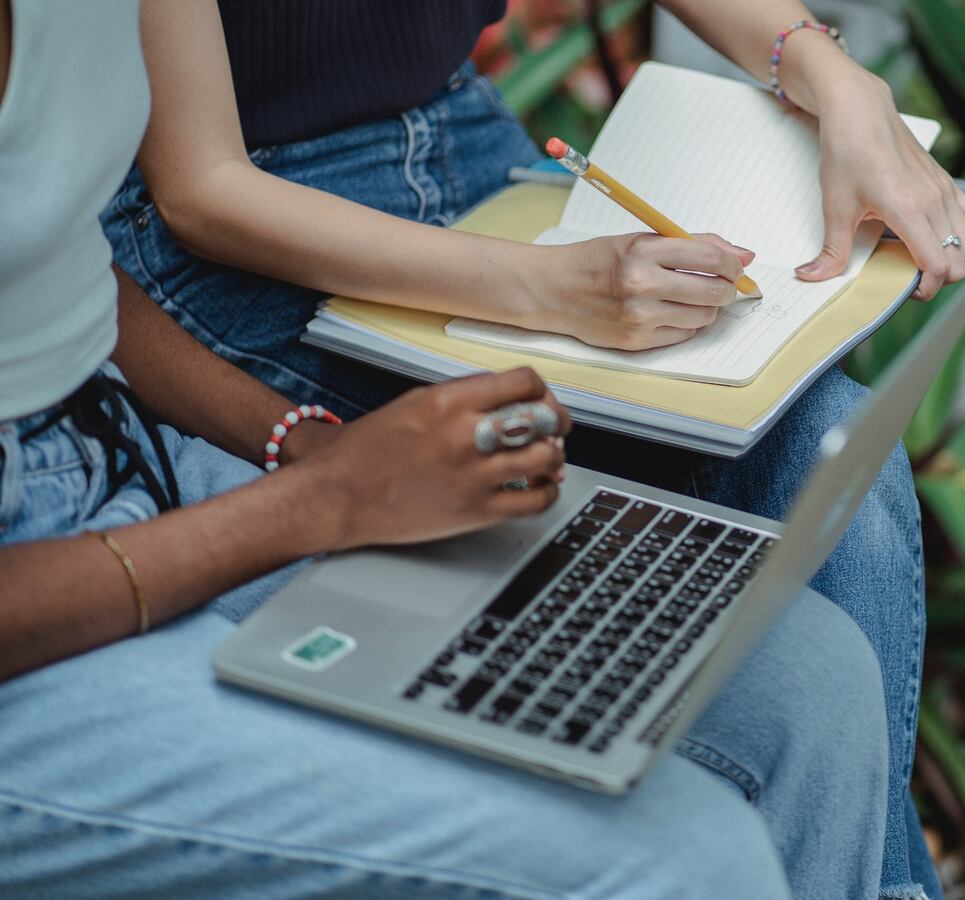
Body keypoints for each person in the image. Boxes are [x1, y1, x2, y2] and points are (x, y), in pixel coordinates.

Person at [0, 2, 896, 896]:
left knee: (808, 680)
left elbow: (68, 270)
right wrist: (316, 503)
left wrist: (296, 441)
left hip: (112, 441)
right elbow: (192, 190)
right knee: (688, 857)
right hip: (48, 576)